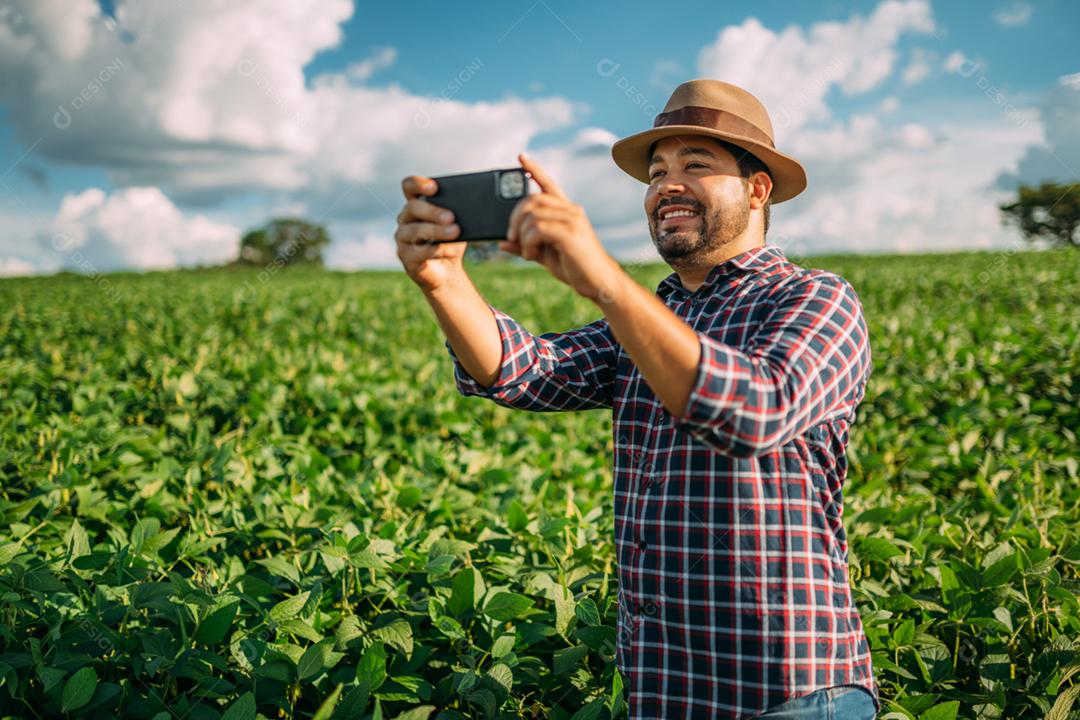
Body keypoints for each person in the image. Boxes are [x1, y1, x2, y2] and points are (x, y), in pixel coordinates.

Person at [394, 78, 879, 720]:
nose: (665, 186)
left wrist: (607, 284)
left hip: (787, 692)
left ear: (757, 189)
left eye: (695, 165)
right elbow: (526, 371)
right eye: (656, 172)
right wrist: (444, 280)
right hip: (665, 691)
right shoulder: (651, 315)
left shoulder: (815, 300)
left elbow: (757, 411)